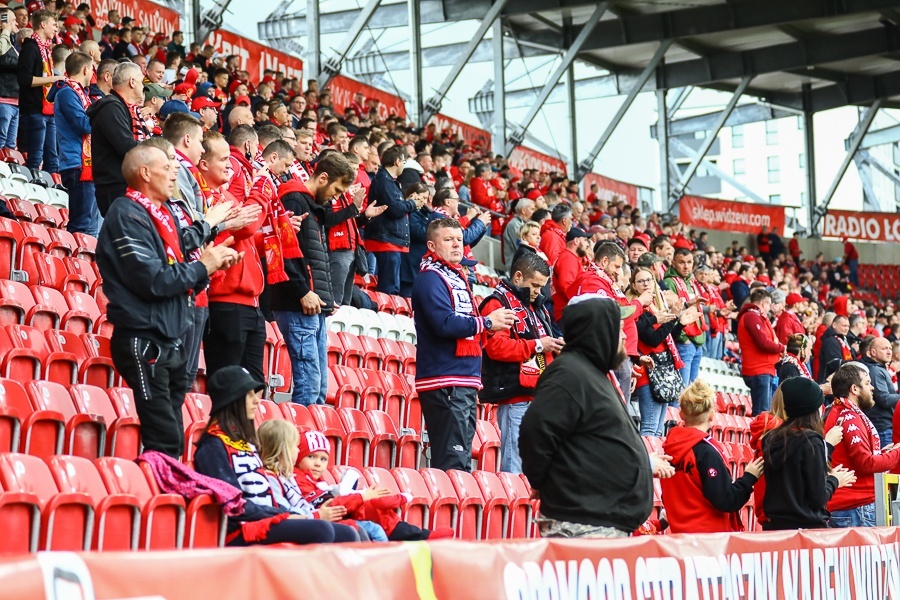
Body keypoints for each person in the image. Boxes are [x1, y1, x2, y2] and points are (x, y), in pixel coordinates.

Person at [96, 143, 239, 458]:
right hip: (144, 338)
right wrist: (203, 265)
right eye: (167, 166)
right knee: (165, 440)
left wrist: (211, 266)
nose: (175, 172)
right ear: (145, 173)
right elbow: (154, 281)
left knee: (173, 435)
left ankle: (164, 502)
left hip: (171, 337)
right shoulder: (126, 214)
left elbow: (177, 276)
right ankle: (155, 502)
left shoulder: (162, 215)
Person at [520, 297, 655, 538]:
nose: (625, 336)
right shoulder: (568, 373)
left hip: (599, 524)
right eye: (619, 329)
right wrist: (542, 481)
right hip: (582, 525)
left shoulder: (591, 373)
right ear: (598, 332)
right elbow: (535, 431)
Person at [193, 366, 360, 545]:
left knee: (347, 533)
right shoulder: (212, 446)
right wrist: (288, 516)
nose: (257, 401)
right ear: (231, 400)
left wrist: (292, 515)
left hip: (267, 520)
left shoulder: (247, 443)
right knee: (321, 530)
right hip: (241, 529)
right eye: (249, 395)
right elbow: (234, 504)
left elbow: (270, 496)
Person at [412, 218, 515, 472]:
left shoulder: (457, 277)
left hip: (464, 380)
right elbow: (444, 323)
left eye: (459, 239)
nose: (457, 244)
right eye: (448, 239)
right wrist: (487, 323)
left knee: (461, 462)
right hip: (445, 379)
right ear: (432, 246)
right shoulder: (430, 278)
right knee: (453, 463)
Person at [270, 152, 356, 405]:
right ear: (323, 178)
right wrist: (302, 292)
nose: (336, 197)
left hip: (311, 304)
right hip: (297, 303)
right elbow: (284, 253)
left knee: (318, 389)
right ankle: (302, 443)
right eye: (337, 190)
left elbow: (314, 257)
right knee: (308, 387)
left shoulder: (311, 205)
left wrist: (325, 297)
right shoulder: (294, 200)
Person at [276, 425, 454, 541]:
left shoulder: (316, 480)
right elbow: (327, 505)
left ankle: (420, 535)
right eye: (311, 457)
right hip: (324, 521)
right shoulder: (298, 479)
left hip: (333, 518)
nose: (317, 463)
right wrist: (360, 496)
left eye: (323, 459)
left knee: (375, 508)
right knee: (372, 526)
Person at [479, 253, 560, 474]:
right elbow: (496, 348)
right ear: (517, 276)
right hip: (515, 397)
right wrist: (538, 345)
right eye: (534, 285)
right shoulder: (497, 302)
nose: (538, 291)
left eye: (541, 287)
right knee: (515, 465)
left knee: (534, 467)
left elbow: (540, 345)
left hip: (538, 395)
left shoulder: (536, 306)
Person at [200, 130, 269, 385]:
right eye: (224, 159)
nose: (230, 165)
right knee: (228, 385)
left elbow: (248, 238)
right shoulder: (207, 196)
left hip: (251, 303)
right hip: (226, 303)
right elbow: (247, 226)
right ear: (204, 163)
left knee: (254, 385)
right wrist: (261, 188)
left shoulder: (226, 196)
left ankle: (244, 427)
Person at [661, 380, 763, 533]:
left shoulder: (670, 448)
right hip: (709, 540)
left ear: (681, 414)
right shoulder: (706, 452)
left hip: (680, 537)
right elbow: (726, 500)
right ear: (712, 415)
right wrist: (749, 477)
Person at [760, 377, 853, 531]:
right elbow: (818, 497)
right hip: (807, 532)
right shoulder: (811, 442)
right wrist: (835, 480)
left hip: (775, 529)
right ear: (814, 409)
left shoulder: (770, 438)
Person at [824, 362, 900, 527]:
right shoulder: (849, 416)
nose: (872, 388)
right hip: (855, 507)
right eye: (867, 383)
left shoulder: (838, 411)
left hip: (850, 507)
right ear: (854, 389)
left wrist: (884, 453)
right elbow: (866, 463)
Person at [630, 266, 699, 436]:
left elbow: (667, 338)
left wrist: (680, 322)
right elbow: (653, 340)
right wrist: (670, 319)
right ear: (633, 286)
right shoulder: (637, 310)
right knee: (649, 426)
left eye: (649, 280)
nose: (646, 284)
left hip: (663, 371)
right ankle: (647, 462)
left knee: (659, 429)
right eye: (641, 281)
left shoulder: (654, 307)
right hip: (649, 373)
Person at [87, 61, 149, 216]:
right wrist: (155, 151)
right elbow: (126, 146)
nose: (143, 87)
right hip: (115, 187)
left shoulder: (124, 108)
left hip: (124, 185)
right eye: (141, 82)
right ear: (132, 82)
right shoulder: (111, 107)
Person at [365, 145, 423, 295]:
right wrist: (412, 204)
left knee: (393, 287)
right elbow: (395, 209)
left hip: (390, 239)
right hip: (386, 239)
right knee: (389, 288)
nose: (404, 165)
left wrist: (408, 203)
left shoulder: (389, 181)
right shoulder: (384, 180)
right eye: (404, 162)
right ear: (398, 161)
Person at [51, 51, 97, 236]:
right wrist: (103, 113)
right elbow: (84, 125)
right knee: (81, 225)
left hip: (85, 164)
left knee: (90, 226)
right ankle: (75, 263)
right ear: (86, 69)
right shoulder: (67, 93)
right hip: (77, 165)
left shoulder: (78, 93)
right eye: (92, 68)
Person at [17, 9, 62, 174]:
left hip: (47, 110)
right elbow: (24, 80)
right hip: (34, 110)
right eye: (54, 25)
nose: (56, 29)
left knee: (52, 158)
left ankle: (51, 194)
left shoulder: (46, 49)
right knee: (36, 156)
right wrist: (53, 79)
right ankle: (33, 186)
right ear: (43, 24)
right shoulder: (30, 48)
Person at [737, 288, 785, 415]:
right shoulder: (751, 317)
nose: (770, 308)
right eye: (769, 304)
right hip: (759, 370)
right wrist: (782, 348)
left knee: (764, 413)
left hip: (764, 370)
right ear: (764, 303)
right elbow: (763, 343)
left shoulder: (756, 317)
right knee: (761, 414)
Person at [662, 248, 707, 385]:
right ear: (673, 263)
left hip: (697, 342)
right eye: (682, 262)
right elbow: (671, 312)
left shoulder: (690, 282)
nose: (686, 266)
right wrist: (683, 338)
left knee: (691, 392)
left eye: (689, 262)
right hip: (685, 342)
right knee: (681, 391)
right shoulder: (670, 282)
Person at [862, 336, 900, 448]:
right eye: (884, 349)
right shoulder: (875, 370)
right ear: (873, 352)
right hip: (882, 427)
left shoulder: (880, 368)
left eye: (890, 348)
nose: (889, 351)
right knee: (887, 463)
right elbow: (884, 399)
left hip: (885, 425)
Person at [0, 7, 19, 151]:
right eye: (12, 20)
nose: (16, 23)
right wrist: (5, 30)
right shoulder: (4, 40)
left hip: (15, 100)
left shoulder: (12, 42)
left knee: (10, 147)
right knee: (1, 140)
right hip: (3, 100)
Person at [818, 314, 852, 383]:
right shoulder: (830, 341)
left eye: (848, 326)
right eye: (844, 326)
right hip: (828, 382)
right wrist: (854, 363)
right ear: (834, 325)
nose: (847, 329)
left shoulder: (842, 339)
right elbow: (834, 363)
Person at [502, 198, 535, 267]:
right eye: (532, 209)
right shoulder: (514, 224)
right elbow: (521, 247)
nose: (534, 212)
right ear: (523, 210)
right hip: (516, 266)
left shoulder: (525, 223)